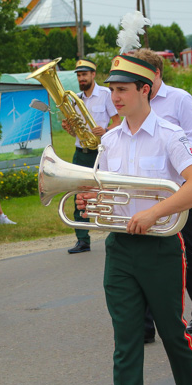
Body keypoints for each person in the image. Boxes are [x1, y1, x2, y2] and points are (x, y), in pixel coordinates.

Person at [75, 53, 192, 385]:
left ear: (144, 90)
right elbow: (103, 192)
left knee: (172, 330)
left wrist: (154, 212)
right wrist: (88, 201)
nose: (113, 97)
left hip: (161, 247)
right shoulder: (109, 140)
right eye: (112, 89)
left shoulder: (169, 134)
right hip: (118, 248)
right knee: (126, 338)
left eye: (121, 90)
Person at [133, 48, 192, 336]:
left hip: (178, 188)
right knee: (140, 250)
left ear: (155, 73)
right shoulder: (133, 100)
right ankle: (145, 325)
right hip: (143, 190)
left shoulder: (179, 99)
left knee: (184, 249)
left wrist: (172, 157)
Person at [63, 58, 118, 254]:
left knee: (109, 193)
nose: (81, 78)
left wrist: (105, 130)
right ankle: (82, 239)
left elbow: (119, 121)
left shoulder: (105, 95)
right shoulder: (75, 98)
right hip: (81, 153)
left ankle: (117, 233)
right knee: (79, 196)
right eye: (78, 75)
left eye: (84, 74)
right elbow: (74, 131)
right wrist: (69, 128)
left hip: (101, 153)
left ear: (93, 75)